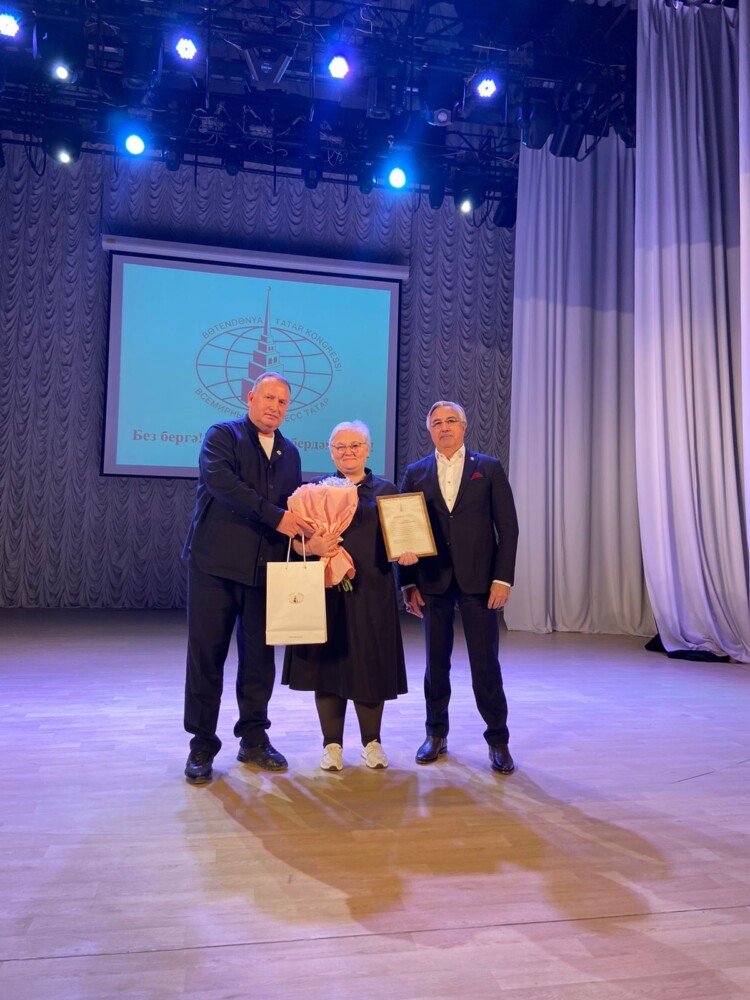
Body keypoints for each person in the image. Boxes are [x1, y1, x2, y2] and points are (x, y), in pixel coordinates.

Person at [182, 372, 305, 784]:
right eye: (268, 397)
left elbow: (294, 507)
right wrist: (279, 517)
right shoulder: (222, 436)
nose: (274, 406)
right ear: (250, 398)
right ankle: (202, 745)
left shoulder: (290, 453)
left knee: (259, 661)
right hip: (214, 567)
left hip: (265, 571)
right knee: (207, 657)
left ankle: (253, 739)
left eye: (282, 402)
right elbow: (224, 486)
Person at [282, 421, 410, 771]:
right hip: (327, 590)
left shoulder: (386, 489)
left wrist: (408, 550)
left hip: (373, 591)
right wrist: (312, 546)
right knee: (328, 667)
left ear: (368, 450)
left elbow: (402, 536)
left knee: (370, 666)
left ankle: (372, 743)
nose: (347, 452)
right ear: (330, 452)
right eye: (340, 447)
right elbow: (296, 543)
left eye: (355, 445)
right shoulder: (314, 490)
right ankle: (332, 745)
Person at [399, 400, 519, 774]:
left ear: (464, 426)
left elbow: (508, 527)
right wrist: (407, 583)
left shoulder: (488, 468)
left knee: (485, 664)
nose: (444, 427)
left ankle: (498, 740)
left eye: (451, 420)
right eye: (437, 422)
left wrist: (502, 578)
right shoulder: (415, 472)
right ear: (429, 430)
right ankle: (436, 734)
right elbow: (403, 528)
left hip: (480, 582)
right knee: (435, 665)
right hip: (433, 581)